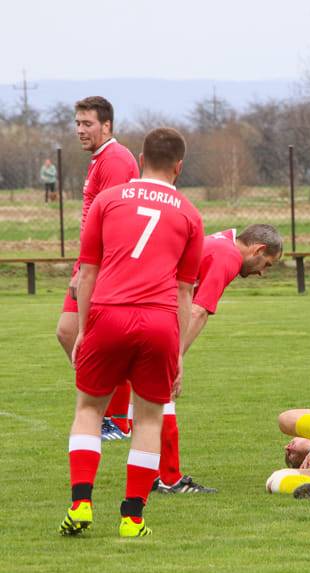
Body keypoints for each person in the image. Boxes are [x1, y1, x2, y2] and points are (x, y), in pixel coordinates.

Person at [58, 127, 204, 538]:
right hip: (158, 321)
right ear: (179, 166)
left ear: (140, 158)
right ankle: (132, 517)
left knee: (89, 410)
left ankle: (82, 503)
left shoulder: (107, 200)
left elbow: (88, 271)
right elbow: (184, 290)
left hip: (108, 314)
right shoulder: (190, 213)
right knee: (148, 419)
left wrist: (85, 329)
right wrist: (177, 353)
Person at [147, 224, 283, 494]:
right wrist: (176, 357)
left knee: (149, 397)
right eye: (266, 265)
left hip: (141, 305)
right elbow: (198, 311)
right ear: (259, 249)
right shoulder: (228, 256)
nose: (261, 273)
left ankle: (152, 473)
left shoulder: (221, 242)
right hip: (152, 312)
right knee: (165, 392)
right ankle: (169, 478)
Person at [55, 96, 140, 441]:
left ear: (107, 126)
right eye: (77, 123)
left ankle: (117, 418)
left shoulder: (117, 160)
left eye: (87, 123)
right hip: (90, 261)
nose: (80, 130)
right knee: (69, 333)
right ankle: (111, 413)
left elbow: (116, 221)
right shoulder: (100, 159)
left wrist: (91, 269)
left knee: (87, 339)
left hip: (103, 265)